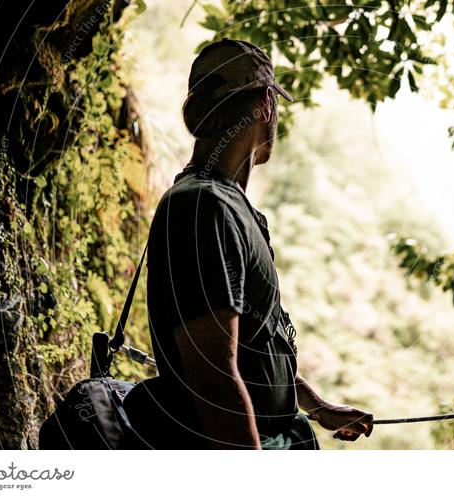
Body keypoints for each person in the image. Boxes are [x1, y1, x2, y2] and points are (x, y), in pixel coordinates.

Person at [133, 39, 373, 449]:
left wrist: (315, 406)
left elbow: (252, 342)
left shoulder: (230, 208)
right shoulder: (203, 206)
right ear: (266, 101)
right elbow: (213, 378)